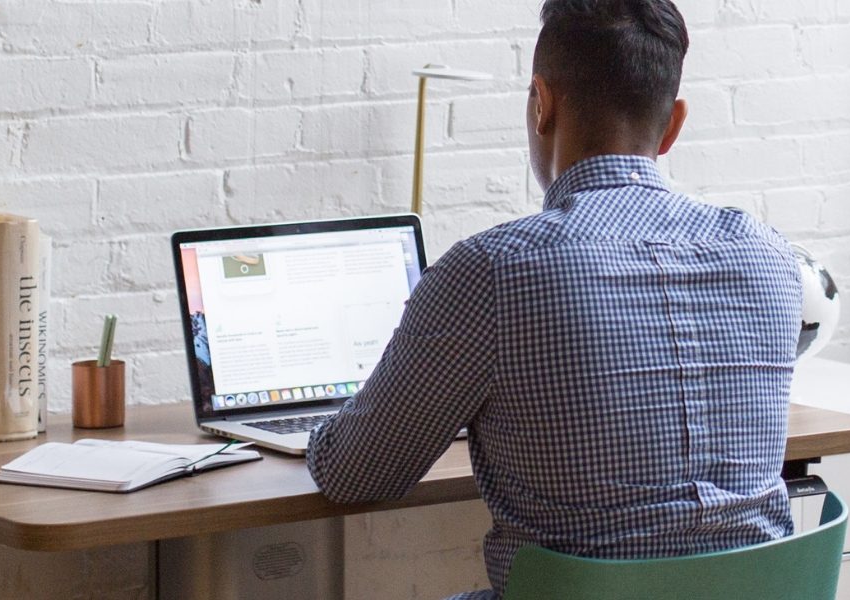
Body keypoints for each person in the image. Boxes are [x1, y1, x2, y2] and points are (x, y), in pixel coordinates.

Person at [307, 0, 802, 598]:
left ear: (541, 104)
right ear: (673, 125)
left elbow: (356, 474)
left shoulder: (491, 271)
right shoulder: (771, 257)